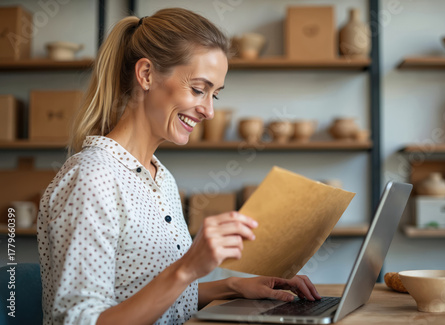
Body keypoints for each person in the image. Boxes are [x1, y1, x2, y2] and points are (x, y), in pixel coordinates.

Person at [37, 8, 321, 325]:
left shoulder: (161, 177)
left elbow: (143, 293)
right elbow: (78, 321)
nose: (209, 111)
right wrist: (187, 268)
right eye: (199, 89)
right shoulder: (92, 177)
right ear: (146, 75)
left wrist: (233, 286)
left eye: (215, 94)